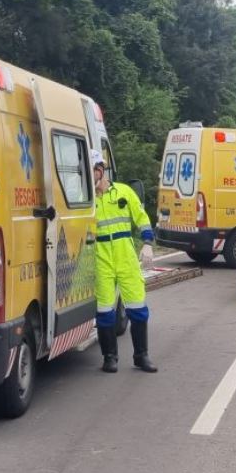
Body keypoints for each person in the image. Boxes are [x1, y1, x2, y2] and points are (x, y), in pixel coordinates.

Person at [91, 150, 157, 373]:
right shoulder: (85, 198)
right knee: (104, 310)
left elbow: (142, 218)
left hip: (126, 255)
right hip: (101, 257)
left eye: (89, 172)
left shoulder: (124, 192)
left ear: (100, 171)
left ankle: (141, 356)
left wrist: (147, 243)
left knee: (137, 306)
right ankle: (109, 357)